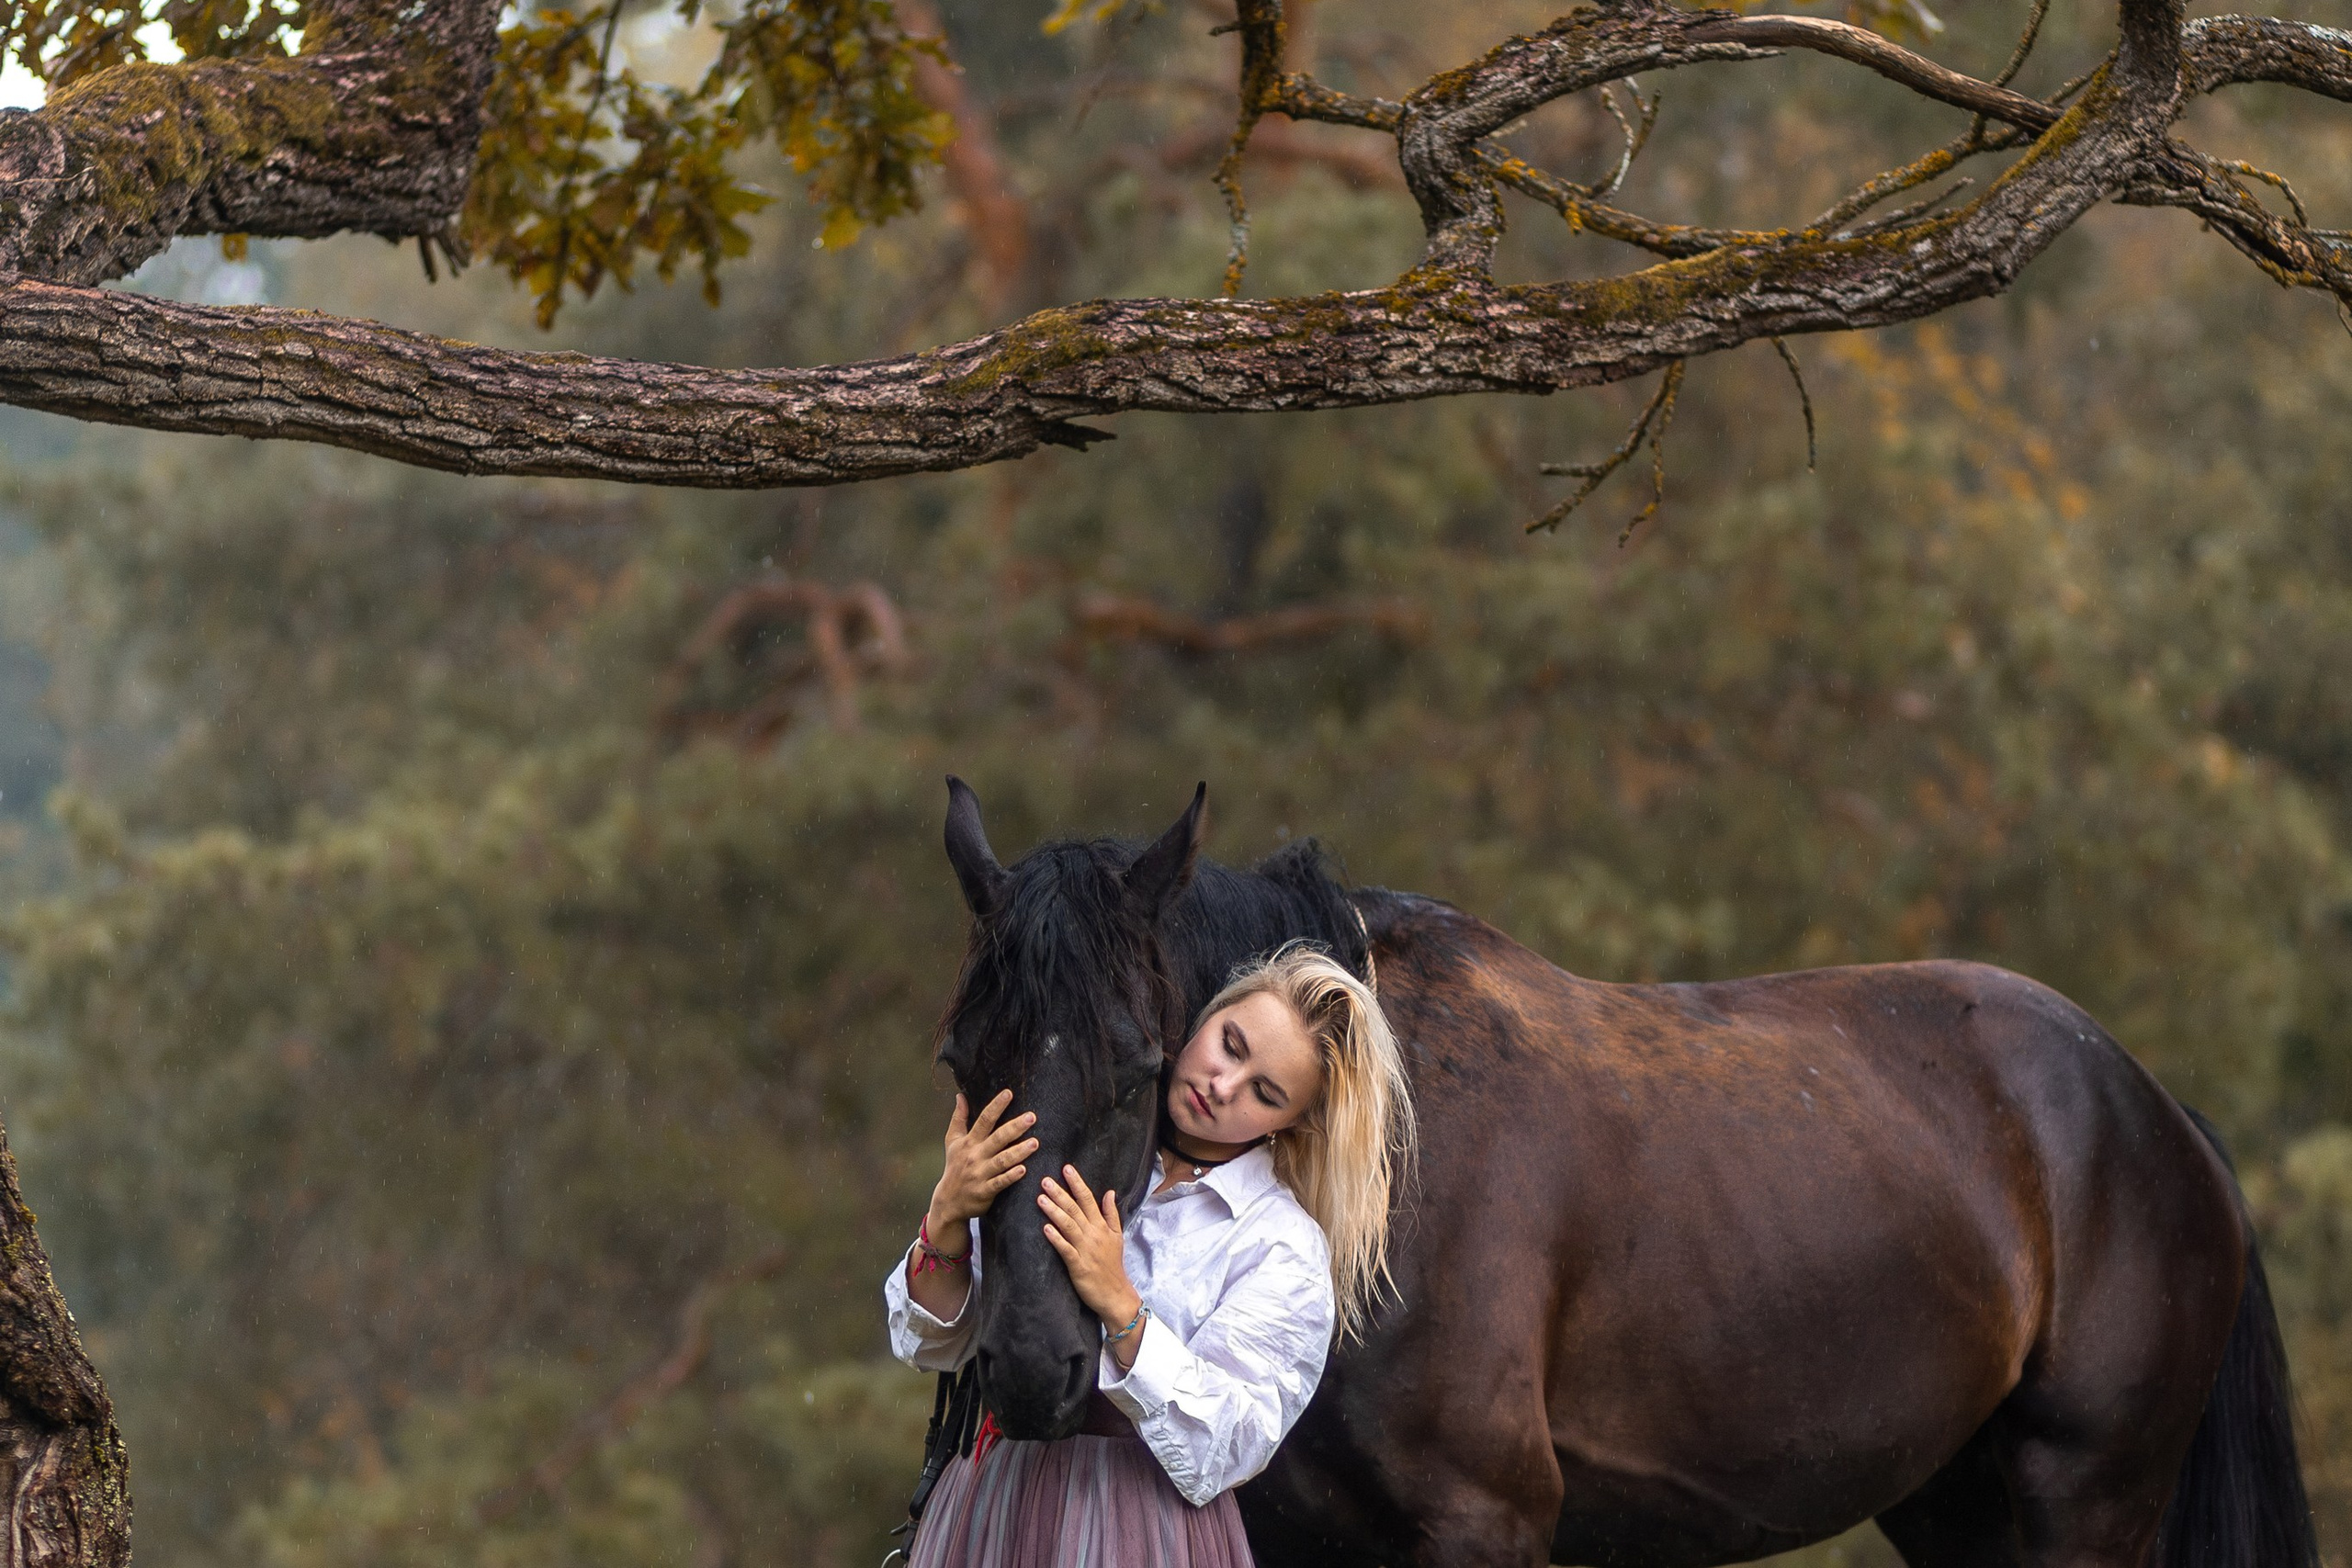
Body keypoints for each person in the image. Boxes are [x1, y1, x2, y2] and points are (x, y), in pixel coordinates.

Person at [884, 942, 1416, 1567]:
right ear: (1205, 1018)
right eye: (1231, 1043)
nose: (1222, 1084)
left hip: (1143, 1530)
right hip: (991, 1500)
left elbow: (1227, 1447)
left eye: (1264, 1091)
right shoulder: (1070, 1140)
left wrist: (1120, 1304)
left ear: (1290, 1123)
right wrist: (947, 1215)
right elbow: (933, 1343)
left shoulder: (1280, 1244)